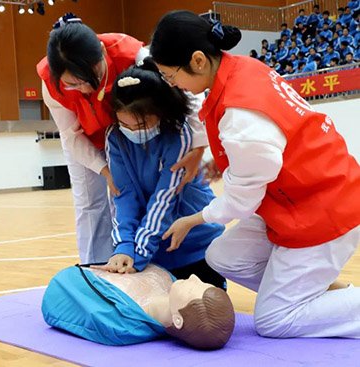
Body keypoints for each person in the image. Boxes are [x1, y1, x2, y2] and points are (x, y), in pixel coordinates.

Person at [150, 10, 360, 339]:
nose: (171, 83)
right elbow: (267, 140)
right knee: (224, 256)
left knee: (274, 321)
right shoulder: (241, 68)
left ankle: (308, 300)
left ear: (198, 61)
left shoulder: (239, 111)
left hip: (322, 209)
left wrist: (194, 219)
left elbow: (242, 200)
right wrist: (226, 161)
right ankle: (312, 290)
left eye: (169, 74)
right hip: (299, 196)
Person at [37, 13, 205, 263]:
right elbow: (70, 135)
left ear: (102, 52)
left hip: (133, 133)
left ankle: (136, 252)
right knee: (89, 204)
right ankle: (96, 265)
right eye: (73, 84)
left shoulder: (133, 54)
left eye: (88, 79)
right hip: (90, 139)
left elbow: (187, 93)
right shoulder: (50, 83)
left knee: (137, 195)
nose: (85, 89)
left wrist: (200, 146)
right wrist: (103, 170)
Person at [94, 60, 226, 289]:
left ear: (161, 113)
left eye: (141, 125)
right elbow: (123, 195)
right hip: (154, 246)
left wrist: (139, 253)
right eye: (126, 125)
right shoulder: (115, 138)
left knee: (200, 312)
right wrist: (125, 246)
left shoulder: (179, 135)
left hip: (195, 242)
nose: (133, 132)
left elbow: (165, 199)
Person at [41, 263, 235, 349]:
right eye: (201, 282)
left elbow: (60, 288)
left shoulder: (119, 323)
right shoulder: (169, 283)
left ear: (178, 318)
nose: (193, 277)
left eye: (194, 288)